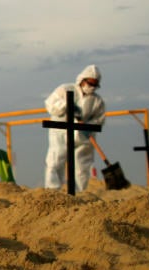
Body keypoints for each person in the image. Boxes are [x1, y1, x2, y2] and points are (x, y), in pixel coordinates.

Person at [44, 64, 106, 192]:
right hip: (60, 132)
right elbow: (50, 106)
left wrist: (88, 125)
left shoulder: (97, 101)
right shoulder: (65, 89)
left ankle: (81, 192)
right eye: (90, 83)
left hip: (83, 136)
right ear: (83, 80)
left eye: (95, 85)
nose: (91, 87)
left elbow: (99, 119)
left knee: (83, 166)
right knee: (56, 160)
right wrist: (66, 105)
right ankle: (52, 191)